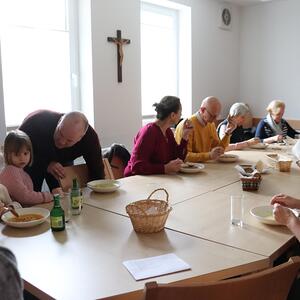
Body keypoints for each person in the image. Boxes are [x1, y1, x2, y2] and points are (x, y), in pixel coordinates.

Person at [19, 110, 105, 192]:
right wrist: (45, 164)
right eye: (60, 133)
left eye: (69, 140)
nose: (61, 141)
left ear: (81, 138)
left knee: (63, 194)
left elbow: (97, 172)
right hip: (34, 155)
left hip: (63, 158)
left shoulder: (90, 139)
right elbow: (17, 154)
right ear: (59, 121)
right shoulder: (34, 123)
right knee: (30, 193)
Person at [124, 96, 192, 176]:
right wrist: (164, 168)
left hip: (155, 179)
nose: (181, 115)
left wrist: (185, 136)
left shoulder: (168, 132)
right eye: (180, 113)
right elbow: (137, 166)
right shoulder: (149, 132)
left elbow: (177, 158)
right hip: (135, 180)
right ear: (173, 115)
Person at [175, 96, 236, 162]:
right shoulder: (187, 125)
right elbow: (185, 156)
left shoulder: (210, 123)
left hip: (204, 165)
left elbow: (217, 149)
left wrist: (227, 133)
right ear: (202, 110)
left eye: (217, 116)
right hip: (188, 168)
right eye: (212, 116)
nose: (215, 119)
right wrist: (209, 155)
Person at [0, 130, 53, 206]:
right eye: (17, 154)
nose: (22, 158)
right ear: (7, 154)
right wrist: (48, 196)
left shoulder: (19, 171)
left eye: (25, 153)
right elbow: (25, 197)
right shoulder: (11, 171)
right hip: (12, 215)